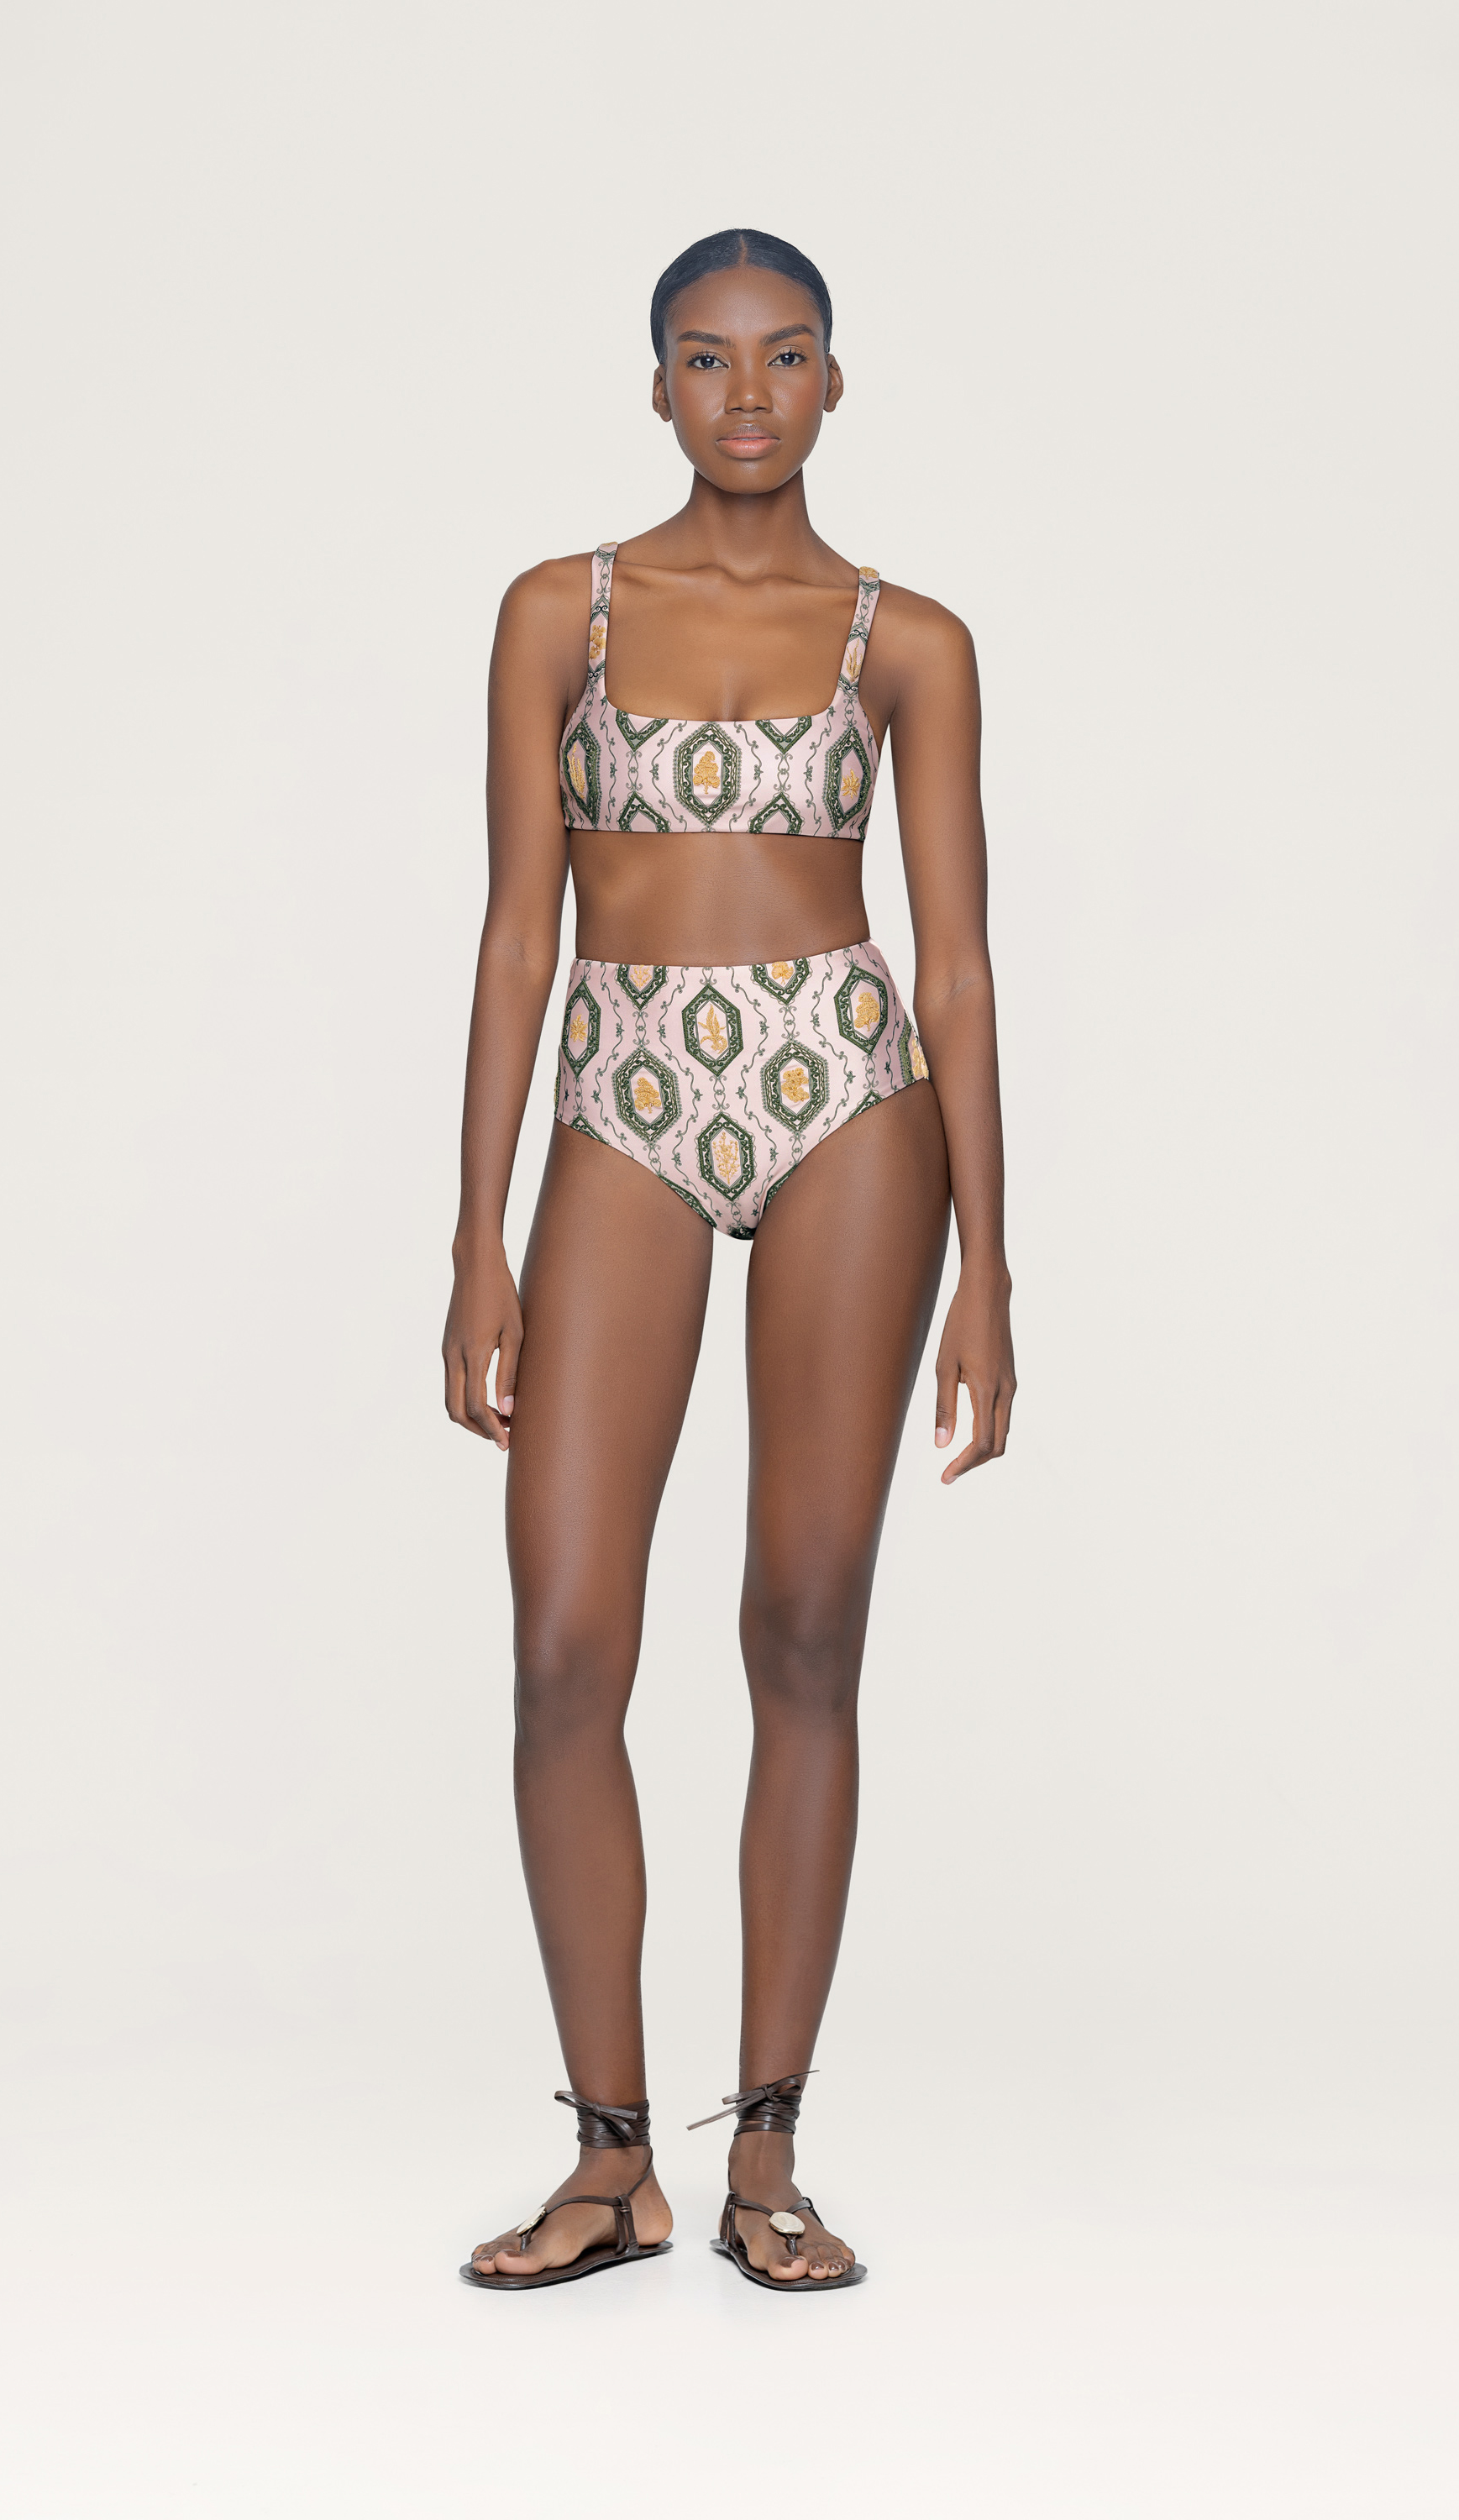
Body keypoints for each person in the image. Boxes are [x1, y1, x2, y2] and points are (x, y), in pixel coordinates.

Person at [443, 228, 1013, 2291]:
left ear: (834, 384)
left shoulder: (907, 640)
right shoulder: (559, 610)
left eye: (783, 357)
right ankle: (610, 2164)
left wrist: (992, 1268)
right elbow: (519, 934)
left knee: (800, 1628)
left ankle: (765, 2149)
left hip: (848, 1093)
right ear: (657, 386)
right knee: (563, 1646)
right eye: (705, 358)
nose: (746, 394)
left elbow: (954, 962)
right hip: (623, 1094)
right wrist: (475, 1236)